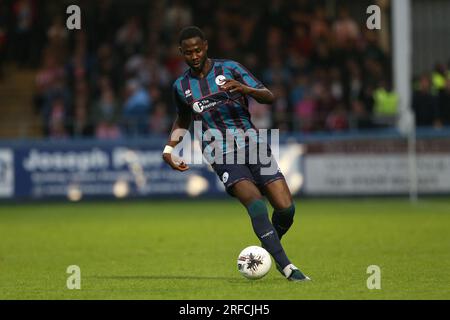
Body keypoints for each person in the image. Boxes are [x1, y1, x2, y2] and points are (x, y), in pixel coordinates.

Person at [162, 26, 310, 282]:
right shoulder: (181, 86)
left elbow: (269, 97)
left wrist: (245, 89)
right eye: (188, 53)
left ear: (206, 46)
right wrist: (169, 148)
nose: (194, 56)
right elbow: (183, 118)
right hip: (219, 151)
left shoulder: (230, 68)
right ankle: (287, 267)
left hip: (253, 144)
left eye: (198, 50)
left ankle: (265, 252)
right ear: (181, 53)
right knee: (255, 203)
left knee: (286, 209)